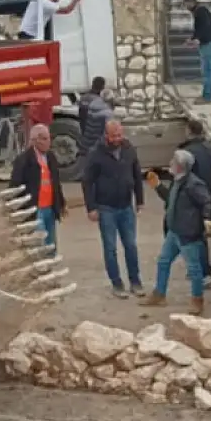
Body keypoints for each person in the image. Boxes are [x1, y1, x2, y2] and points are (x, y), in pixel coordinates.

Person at [142, 149, 211, 315]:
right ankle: (159, 294)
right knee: (163, 261)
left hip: (188, 234)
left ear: (180, 166)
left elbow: (206, 202)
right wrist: (158, 187)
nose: (170, 164)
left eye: (173, 161)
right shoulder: (178, 181)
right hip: (174, 232)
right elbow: (170, 199)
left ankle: (197, 301)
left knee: (194, 269)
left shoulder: (193, 184)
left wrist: (207, 219)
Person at [81, 119, 144, 297]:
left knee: (131, 245)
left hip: (126, 206)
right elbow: (87, 181)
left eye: (120, 134)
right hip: (106, 208)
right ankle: (117, 284)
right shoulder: (96, 154)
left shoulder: (128, 149)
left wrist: (139, 200)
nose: (118, 138)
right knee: (110, 248)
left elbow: (137, 175)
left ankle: (135, 281)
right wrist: (91, 208)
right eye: (114, 135)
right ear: (106, 135)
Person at [9, 123, 65, 254]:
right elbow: (15, 186)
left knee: (51, 244)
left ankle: (50, 268)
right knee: (39, 244)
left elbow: (55, 182)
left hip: (49, 208)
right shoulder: (23, 160)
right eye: (45, 139)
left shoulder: (51, 157)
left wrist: (61, 203)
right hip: (34, 209)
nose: (48, 142)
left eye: (48, 138)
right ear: (35, 140)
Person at [179, 118, 211, 287]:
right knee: (199, 236)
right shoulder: (208, 149)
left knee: (195, 238)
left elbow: (183, 179)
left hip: (192, 201)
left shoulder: (187, 152)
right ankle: (200, 270)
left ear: (189, 131)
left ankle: (205, 272)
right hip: (207, 195)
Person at [181, 0, 211, 104]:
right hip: (207, 44)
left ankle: (207, 98)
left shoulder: (201, 11)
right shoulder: (198, 11)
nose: (185, 7)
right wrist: (192, 38)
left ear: (191, 2)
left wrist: (197, 39)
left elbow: (205, 27)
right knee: (206, 71)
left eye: (185, 4)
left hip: (209, 45)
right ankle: (205, 95)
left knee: (207, 71)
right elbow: (200, 29)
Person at [77, 76, 115, 155]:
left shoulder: (83, 98)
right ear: (103, 86)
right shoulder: (98, 101)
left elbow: (80, 114)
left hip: (86, 131)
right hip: (96, 136)